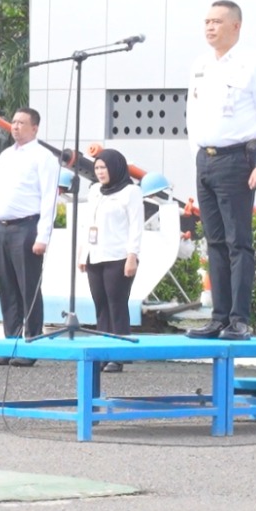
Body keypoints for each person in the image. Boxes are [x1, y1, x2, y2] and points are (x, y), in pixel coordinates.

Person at [185, 0, 256, 341]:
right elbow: (192, 114)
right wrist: (195, 156)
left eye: (217, 22)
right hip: (205, 160)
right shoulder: (199, 65)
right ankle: (218, 317)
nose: (210, 27)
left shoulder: (254, 63)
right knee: (214, 242)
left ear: (236, 26)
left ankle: (239, 319)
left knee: (239, 241)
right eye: (206, 21)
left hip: (238, 159)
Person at [0, 108, 60, 366]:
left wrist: (42, 236)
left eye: (21, 123)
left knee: (28, 288)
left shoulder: (43, 157)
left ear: (34, 128)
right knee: (7, 288)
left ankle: (31, 344)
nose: (15, 127)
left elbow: (49, 199)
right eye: (13, 122)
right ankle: (10, 342)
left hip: (26, 227)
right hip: (2, 227)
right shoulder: (5, 156)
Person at [80, 148, 144, 371]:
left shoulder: (130, 192)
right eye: (97, 168)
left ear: (115, 167)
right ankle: (102, 352)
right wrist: (83, 254)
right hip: (95, 255)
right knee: (101, 307)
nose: (100, 172)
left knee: (116, 305)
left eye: (104, 167)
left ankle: (118, 355)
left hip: (119, 256)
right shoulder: (95, 190)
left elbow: (136, 226)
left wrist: (132, 256)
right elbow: (88, 223)